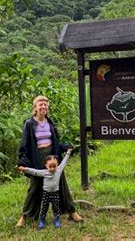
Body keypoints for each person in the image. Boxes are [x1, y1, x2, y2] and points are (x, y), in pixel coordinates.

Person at [16, 96, 83, 227]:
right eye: (41, 104)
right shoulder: (29, 124)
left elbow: (56, 142)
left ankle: (72, 211)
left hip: (53, 158)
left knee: (61, 184)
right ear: (35, 107)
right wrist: (23, 161)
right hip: (37, 157)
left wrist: (65, 147)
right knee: (34, 187)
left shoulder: (50, 123)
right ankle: (25, 216)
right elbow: (24, 145)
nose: (43, 107)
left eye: (45, 105)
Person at [18, 149, 72, 229]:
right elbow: (34, 172)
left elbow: (64, 161)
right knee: (44, 207)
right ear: (46, 166)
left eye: (54, 166)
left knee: (56, 207)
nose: (52, 168)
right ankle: (42, 220)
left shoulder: (58, 170)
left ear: (57, 165)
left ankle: (56, 219)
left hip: (55, 193)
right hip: (46, 194)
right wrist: (25, 169)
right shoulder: (44, 172)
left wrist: (68, 153)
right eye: (50, 166)